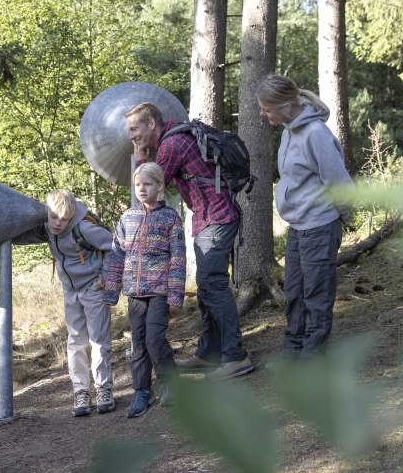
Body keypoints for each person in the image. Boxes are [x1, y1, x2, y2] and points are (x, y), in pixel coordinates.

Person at [124, 102, 254, 380]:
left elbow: (150, 188)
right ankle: (209, 353)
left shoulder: (172, 145)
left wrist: (139, 158)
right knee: (208, 288)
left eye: (135, 129)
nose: (132, 136)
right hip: (210, 219)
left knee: (214, 287)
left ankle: (236, 356)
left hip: (215, 220)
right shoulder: (178, 137)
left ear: (151, 124)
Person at [256, 74, 353, 358]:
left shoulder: (316, 135)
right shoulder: (288, 129)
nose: (263, 114)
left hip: (320, 226)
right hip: (297, 228)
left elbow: (339, 182)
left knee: (317, 295)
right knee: (295, 293)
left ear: (285, 106)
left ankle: (312, 358)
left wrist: (341, 216)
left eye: (266, 108)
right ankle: (293, 350)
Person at [14, 189, 115, 416]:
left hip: (93, 288)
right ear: (47, 213)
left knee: (98, 340)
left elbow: (115, 246)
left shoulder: (84, 229)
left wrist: (105, 277)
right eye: (53, 217)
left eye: (64, 219)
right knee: (76, 341)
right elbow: (21, 236)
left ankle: (103, 389)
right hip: (70, 291)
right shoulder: (47, 227)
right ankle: (80, 391)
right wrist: (0, 234)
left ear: (71, 216)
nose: (58, 224)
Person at [104, 162, 186, 418]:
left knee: (154, 339)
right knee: (138, 343)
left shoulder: (170, 217)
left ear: (160, 186)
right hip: (134, 293)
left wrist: (175, 294)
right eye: (137, 184)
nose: (141, 189)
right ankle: (142, 390)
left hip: (160, 291)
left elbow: (178, 259)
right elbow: (117, 254)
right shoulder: (127, 218)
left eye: (147, 184)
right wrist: (111, 290)